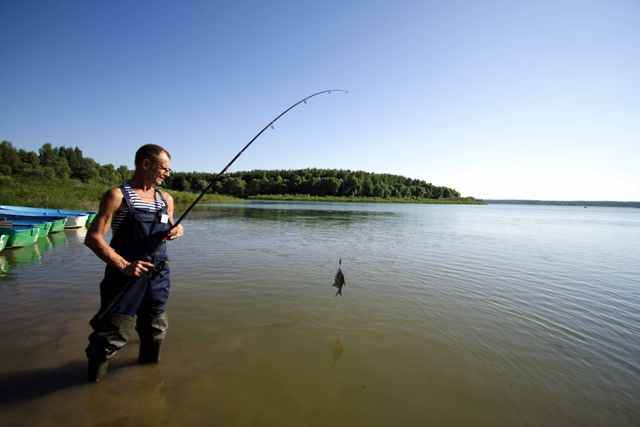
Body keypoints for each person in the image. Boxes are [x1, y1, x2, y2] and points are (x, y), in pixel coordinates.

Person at [84, 144, 184, 382]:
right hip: (124, 276)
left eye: (169, 170)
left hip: (158, 275)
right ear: (145, 164)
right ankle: (92, 385)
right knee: (110, 335)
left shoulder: (165, 198)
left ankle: (148, 379)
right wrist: (123, 264)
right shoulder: (117, 196)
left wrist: (177, 229)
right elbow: (93, 237)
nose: (167, 174)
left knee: (155, 329)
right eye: (164, 168)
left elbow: (171, 224)